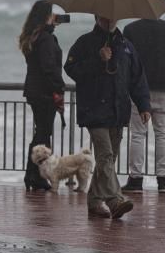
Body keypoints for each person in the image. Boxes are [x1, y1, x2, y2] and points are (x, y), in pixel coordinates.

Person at [64, 15, 150, 219]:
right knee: (105, 156)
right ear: (96, 17)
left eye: (112, 16)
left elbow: (137, 77)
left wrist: (144, 104)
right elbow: (71, 69)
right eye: (104, 15)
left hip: (118, 111)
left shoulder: (126, 45)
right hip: (94, 109)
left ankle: (94, 202)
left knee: (108, 161)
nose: (109, 19)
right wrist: (97, 59)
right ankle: (115, 200)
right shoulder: (85, 42)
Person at [121, 17, 165, 193]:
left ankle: (135, 180)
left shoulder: (131, 29)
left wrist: (130, 85)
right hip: (164, 89)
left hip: (139, 90)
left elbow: (126, 62)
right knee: (162, 134)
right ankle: (164, 180)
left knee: (138, 135)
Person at [19, 0, 66, 192]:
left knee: (41, 133)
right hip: (45, 93)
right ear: (46, 16)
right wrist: (59, 88)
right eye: (52, 14)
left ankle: (32, 174)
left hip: (34, 91)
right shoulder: (45, 38)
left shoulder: (34, 36)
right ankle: (35, 175)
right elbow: (49, 68)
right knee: (43, 134)